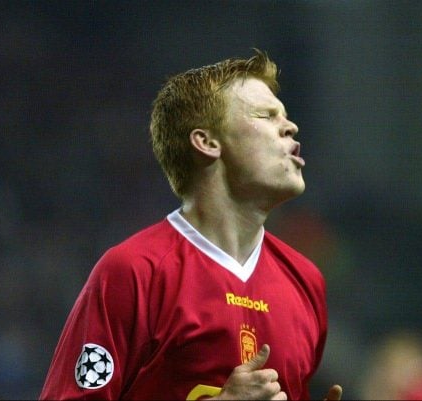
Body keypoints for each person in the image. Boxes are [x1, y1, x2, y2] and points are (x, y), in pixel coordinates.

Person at [39, 49, 343, 401]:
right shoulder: (134, 272)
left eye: (285, 116)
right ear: (207, 142)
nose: (290, 126)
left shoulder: (306, 281)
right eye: (266, 115)